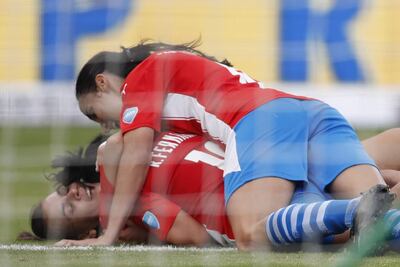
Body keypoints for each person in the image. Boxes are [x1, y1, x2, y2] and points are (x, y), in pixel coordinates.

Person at [73, 40, 393, 249]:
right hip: (310, 111)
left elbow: (135, 151)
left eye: (94, 112)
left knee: (251, 234)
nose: (105, 125)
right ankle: (363, 209)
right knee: (385, 214)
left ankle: (353, 210)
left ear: (102, 82)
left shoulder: (138, 82)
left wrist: (109, 235)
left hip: (261, 121)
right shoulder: (171, 69)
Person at [33, 129, 400, 250]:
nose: (74, 194)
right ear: (89, 233)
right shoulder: (137, 190)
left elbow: (197, 239)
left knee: (372, 185)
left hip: (270, 178)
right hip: (281, 173)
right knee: (373, 181)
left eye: (66, 191)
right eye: (67, 208)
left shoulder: (137, 151)